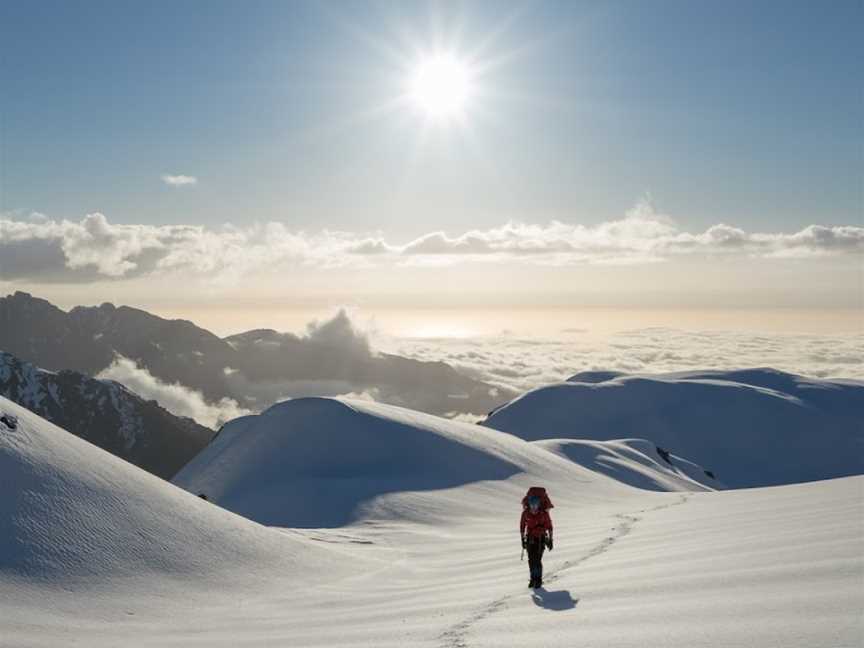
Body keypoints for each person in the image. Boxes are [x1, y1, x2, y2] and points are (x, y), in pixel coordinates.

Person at [520, 494, 553, 588]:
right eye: (532, 505)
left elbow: (549, 526)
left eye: (536, 505)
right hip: (530, 538)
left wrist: (550, 539)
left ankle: (538, 579)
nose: (534, 508)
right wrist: (522, 539)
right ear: (529, 505)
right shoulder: (525, 513)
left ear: (538, 505)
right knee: (531, 560)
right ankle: (533, 579)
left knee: (537, 560)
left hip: (540, 539)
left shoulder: (543, 514)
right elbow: (522, 525)